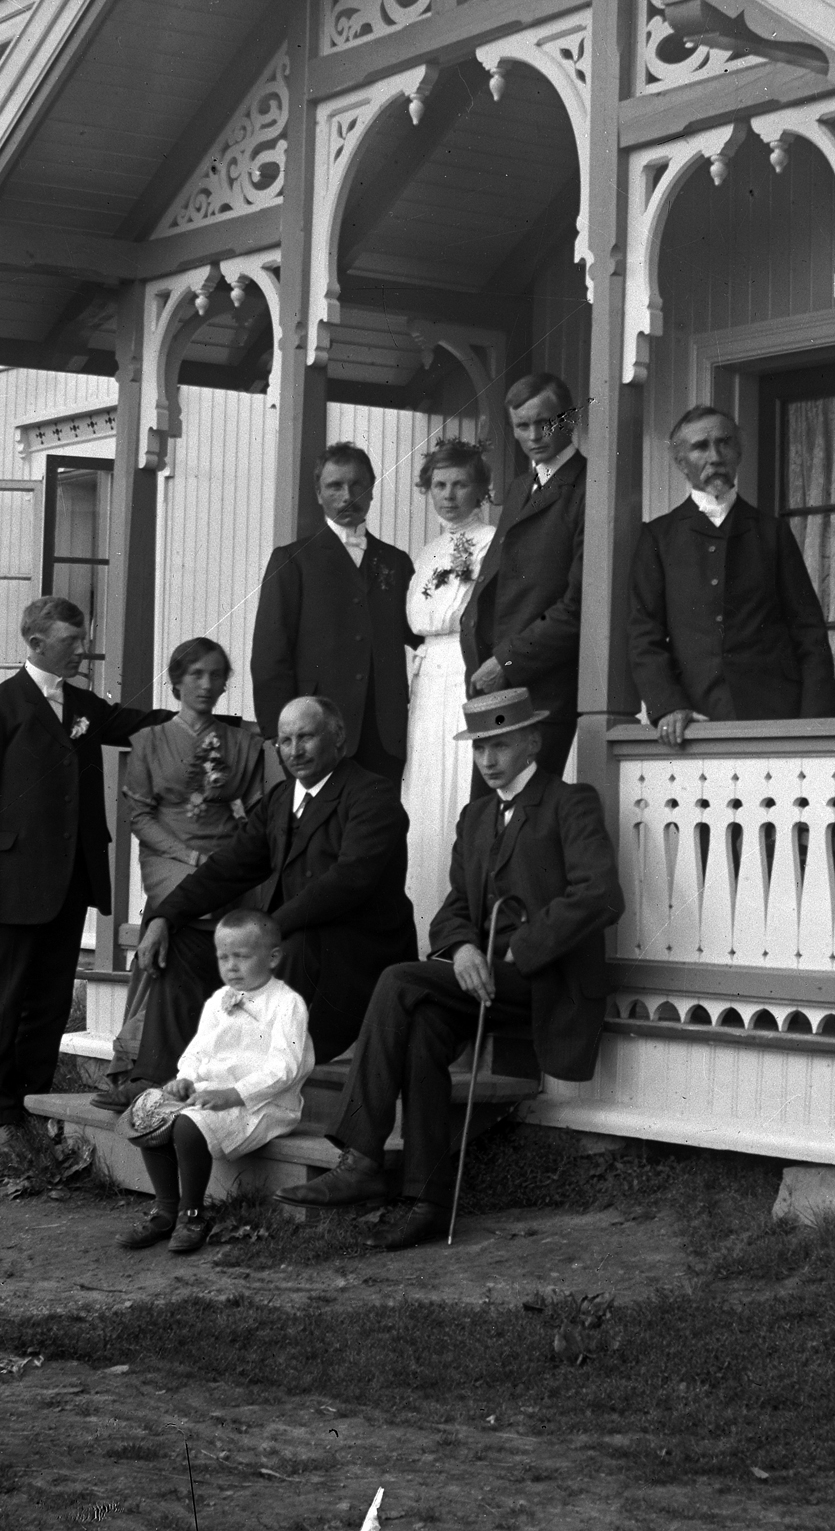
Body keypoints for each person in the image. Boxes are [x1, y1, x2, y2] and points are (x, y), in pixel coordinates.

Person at [279, 687, 624, 1252]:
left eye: (501, 745)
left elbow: (600, 894)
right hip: (482, 978)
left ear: (533, 742)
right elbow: (455, 907)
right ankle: (429, 1204)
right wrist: (462, 949)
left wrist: (523, 949)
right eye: (479, 747)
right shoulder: (477, 815)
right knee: (422, 1031)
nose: (488, 759)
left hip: (544, 978)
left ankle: (361, 1158)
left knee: (398, 979)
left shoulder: (570, 803)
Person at [0, 595, 170, 1179]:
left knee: (49, 1000)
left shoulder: (81, 705)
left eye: (84, 639)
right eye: (72, 641)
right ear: (36, 642)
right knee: (3, 1000)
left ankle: (32, 1101)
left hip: (71, 879)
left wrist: (213, 722)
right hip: (13, 882)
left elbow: (135, 723)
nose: (82, 650)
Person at [130, 695, 414, 1080]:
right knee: (182, 944)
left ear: (338, 738)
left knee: (287, 950)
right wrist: (165, 916)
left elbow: (348, 881)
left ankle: (237, 1080)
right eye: (285, 741)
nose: (294, 751)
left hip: (351, 955)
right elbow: (229, 867)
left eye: (306, 737)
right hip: (287, 941)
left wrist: (267, 931)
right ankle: (158, 1080)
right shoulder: (281, 800)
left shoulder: (371, 795)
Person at [93, 636, 279, 1113]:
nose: (206, 684)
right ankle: (148, 1067)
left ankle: (183, 1068)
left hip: (227, 857)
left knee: (213, 935)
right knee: (184, 914)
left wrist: (230, 856)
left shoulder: (241, 743)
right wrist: (190, 857)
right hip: (168, 856)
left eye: (216, 675)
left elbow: (257, 814)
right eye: (196, 674)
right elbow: (140, 817)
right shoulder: (150, 741)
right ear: (176, 682)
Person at [629, 404, 835, 744]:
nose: (715, 457)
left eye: (724, 443)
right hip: (695, 721)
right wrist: (668, 705)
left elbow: (809, 632)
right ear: (681, 462)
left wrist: (814, 722)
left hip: (777, 716)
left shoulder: (772, 532)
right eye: (700, 447)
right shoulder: (659, 538)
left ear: (738, 453)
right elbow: (644, 634)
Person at [120, 911, 313, 1256]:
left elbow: (285, 1067)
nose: (231, 966)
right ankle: (165, 1209)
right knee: (150, 1113)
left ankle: (192, 1213)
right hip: (211, 1094)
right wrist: (185, 1079)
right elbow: (197, 1051)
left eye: (242, 957)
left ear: (273, 958)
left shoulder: (287, 1004)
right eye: (223, 957)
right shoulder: (218, 1001)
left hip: (261, 1103)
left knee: (187, 1125)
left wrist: (233, 1094)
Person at [251, 444, 415, 777]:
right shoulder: (293, 561)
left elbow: (421, 634)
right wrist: (280, 735)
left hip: (385, 735)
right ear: (318, 493)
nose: (347, 496)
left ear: (371, 490)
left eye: (357, 485)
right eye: (335, 486)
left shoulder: (396, 562)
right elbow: (270, 654)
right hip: (317, 733)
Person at [461, 373, 586, 777]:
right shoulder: (520, 487)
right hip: (498, 686)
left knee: (528, 803)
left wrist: (506, 661)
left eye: (544, 422)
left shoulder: (589, 486)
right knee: (490, 803)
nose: (534, 436)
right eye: (522, 426)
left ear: (568, 419)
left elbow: (579, 604)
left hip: (544, 688)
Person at [401, 437, 495, 948]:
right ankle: (423, 932)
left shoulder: (493, 541)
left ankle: (466, 926)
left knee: (461, 784)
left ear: (480, 489)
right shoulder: (426, 553)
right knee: (426, 794)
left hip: (466, 667)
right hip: (429, 678)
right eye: (439, 484)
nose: (449, 495)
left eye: (461, 484)